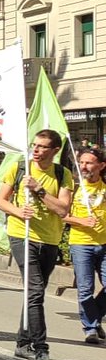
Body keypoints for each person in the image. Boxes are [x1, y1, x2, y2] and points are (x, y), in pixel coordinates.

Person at [0, 129, 73, 360]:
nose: (36, 150)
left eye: (42, 146)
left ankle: (22, 343)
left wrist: (39, 190)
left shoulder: (62, 174)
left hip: (50, 239)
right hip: (22, 235)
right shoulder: (20, 168)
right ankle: (41, 349)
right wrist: (18, 211)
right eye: (34, 145)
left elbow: (62, 209)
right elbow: (1, 200)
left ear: (55, 150)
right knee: (36, 291)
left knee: (33, 294)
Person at [64, 145, 106, 345]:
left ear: (101, 166)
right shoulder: (73, 187)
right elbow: (61, 214)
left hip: (104, 243)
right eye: (81, 162)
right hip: (81, 244)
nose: (84, 166)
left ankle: (95, 317)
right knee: (85, 289)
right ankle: (90, 328)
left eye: (89, 163)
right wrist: (81, 221)